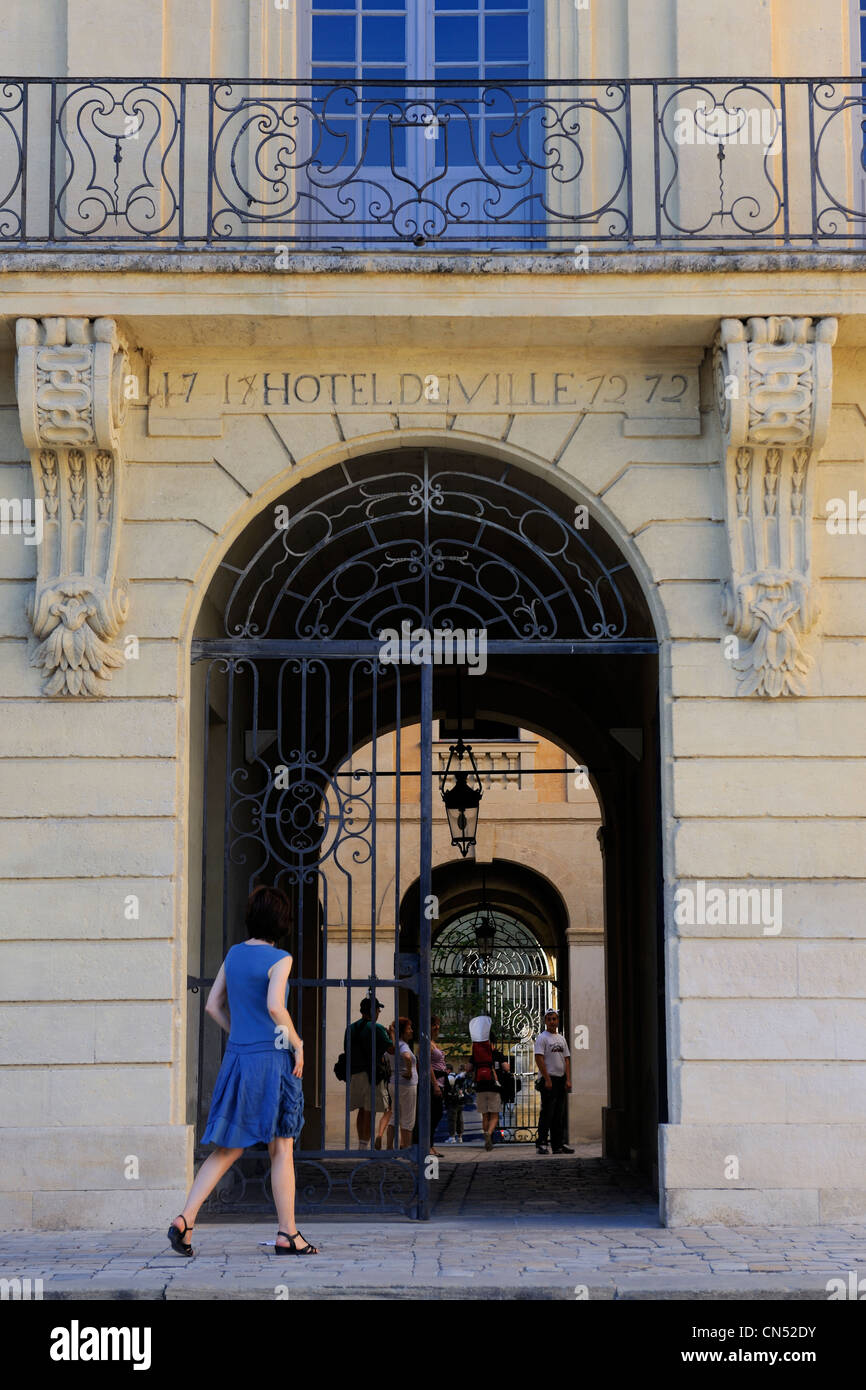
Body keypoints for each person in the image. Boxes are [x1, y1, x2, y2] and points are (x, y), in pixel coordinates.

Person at [168, 885, 318, 1256]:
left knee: (228, 1147)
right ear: (282, 921)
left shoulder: (233, 955)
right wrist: (298, 1043)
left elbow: (212, 1007)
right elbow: (274, 1007)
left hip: (238, 1058)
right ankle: (288, 1234)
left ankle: (185, 1219)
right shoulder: (281, 958)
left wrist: (241, 1035)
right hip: (273, 1058)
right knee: (281, 1146)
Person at [345, 996, 393, 1149]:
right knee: (370, 1110)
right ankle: (365, 1145)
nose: (379, 1011)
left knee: (361, 1109)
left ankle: (361, 1144)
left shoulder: (351, 1028)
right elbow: (391, 1049)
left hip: (354, 1073)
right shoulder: (376, 1028)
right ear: (373, 1011)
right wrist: (391, 1034)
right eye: (378, 1009)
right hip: (371, 1074)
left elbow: (347, 1049)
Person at [534, 1008, 574, 1156]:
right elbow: (539, 1058)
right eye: (549, 1019)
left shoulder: (561, 1038)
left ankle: (558, 1145)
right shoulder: (542, 1038)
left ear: (557, 1021)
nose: (552, 1021)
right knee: (547, 1113)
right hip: (548, 1079)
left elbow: (566, 1059)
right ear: (545, 1021)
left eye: (554, 1019)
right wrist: (547, 1079)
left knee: (559, 1113)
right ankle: (542, 1143)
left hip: (561, 1079)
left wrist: (568, 1079)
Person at [468, 1014, 509, 1151]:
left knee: (485, 1115)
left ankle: (486, 1135)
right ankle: (489, 1133)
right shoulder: (497, 1054)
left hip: (480, 1087)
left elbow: (468, 1068)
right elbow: (506, 1068)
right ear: (493, 1041)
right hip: (494, 1087)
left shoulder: (476, 1054)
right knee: (495, 1115)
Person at [386, 1017, 418, 1148]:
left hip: (393, 1083)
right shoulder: (403, 1045)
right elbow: (406, 1057)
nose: (411, 1031)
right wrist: (409, 1071)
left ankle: (389, 1148)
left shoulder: (391, 1046)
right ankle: (406, 1148)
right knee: (408, 1119)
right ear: (403, 1032)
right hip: (406, 1085)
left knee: (394, 1117)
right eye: (409, 1028)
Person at [429, 1015, 448, 1156]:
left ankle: (430, 1145)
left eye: (438, 1024)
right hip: (433, 1084)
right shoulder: (427, 1043)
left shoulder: (432, 1042)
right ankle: (428, 1146)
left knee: (436, 1114)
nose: (437, 1027)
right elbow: (428, 1065)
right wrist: (435, 1085)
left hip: (440, 1082)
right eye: (435, 1024)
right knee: (433, 1115)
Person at [444, 1062, 468, 1143]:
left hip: (452, 1100)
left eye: (445, 1070)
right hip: (460, 1100)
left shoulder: (450, 1077)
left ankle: (452, 1137)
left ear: (448, 1070)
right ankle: (460, 1137)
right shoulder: (457, 1076)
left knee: (452, 1119)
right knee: (459, 1119)